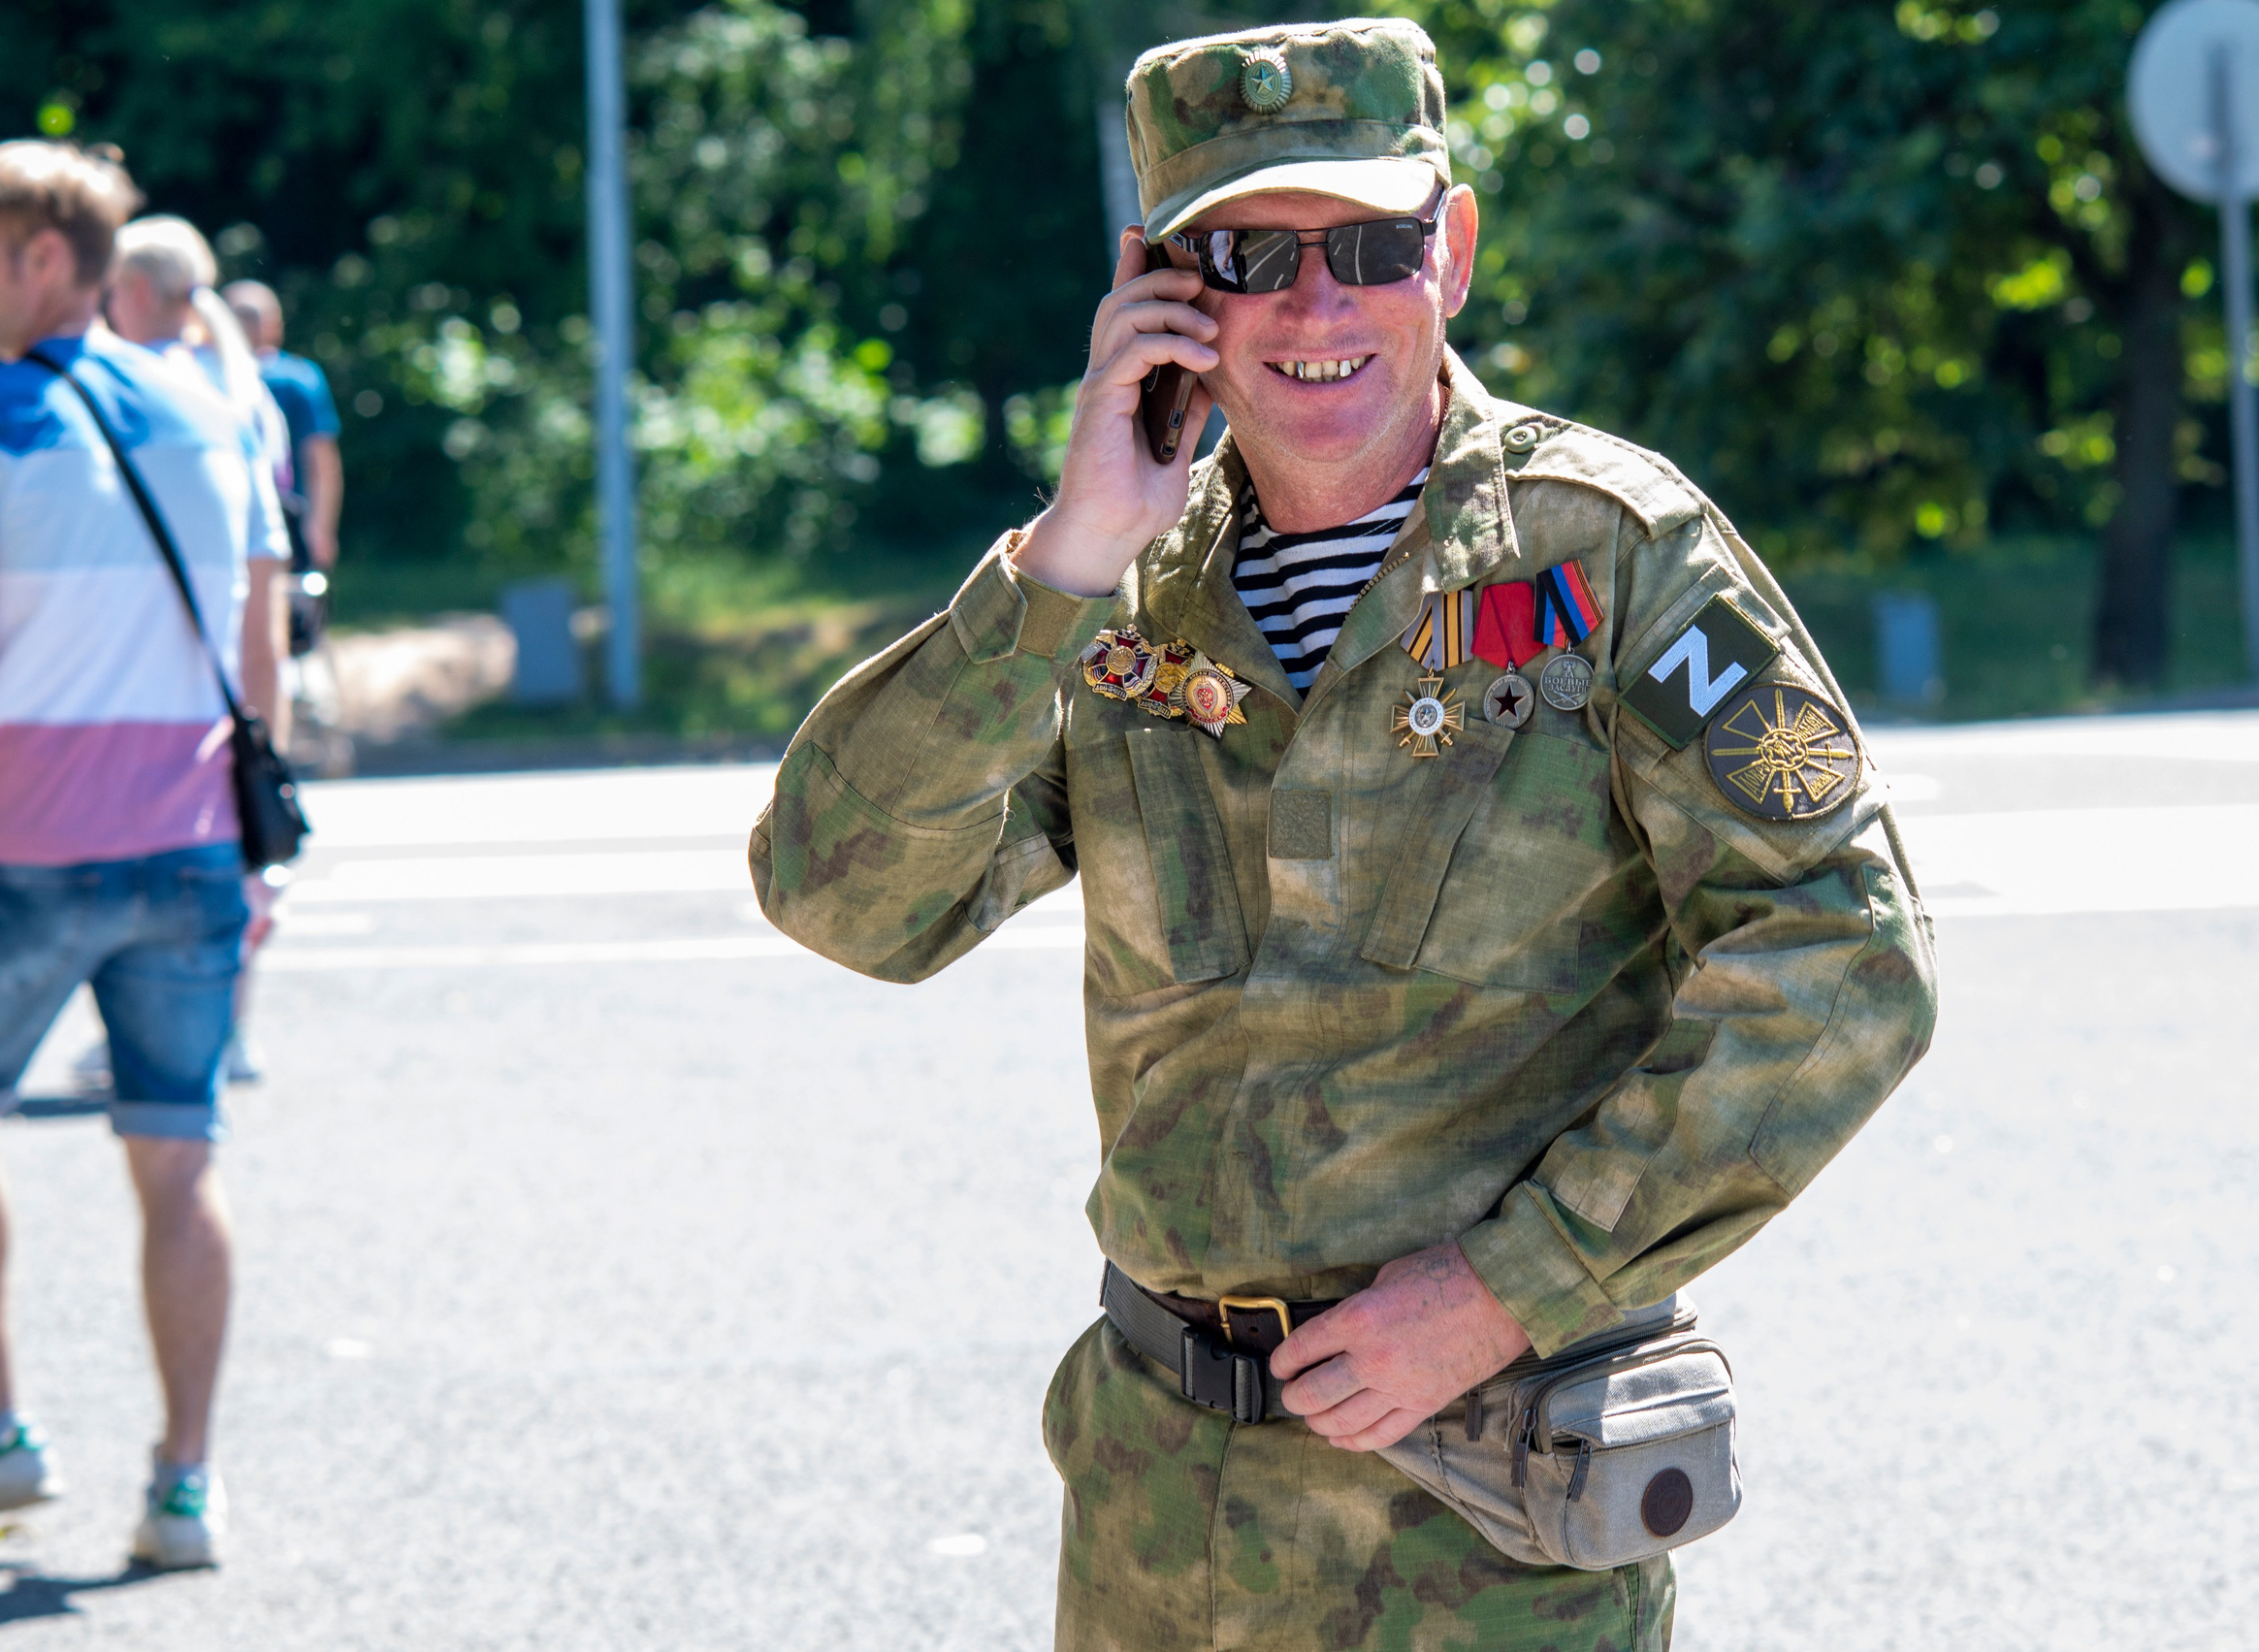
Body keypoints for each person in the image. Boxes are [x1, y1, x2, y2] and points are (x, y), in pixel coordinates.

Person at [752, 19, 1939, 1649]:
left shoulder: (1606, 556)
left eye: (1370, 245)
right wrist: (1066, 552)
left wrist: (1509, 1285)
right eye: (1252, 252)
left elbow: (1847, 950)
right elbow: (842, 900)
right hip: (1162, 1507)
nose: (1317, 308)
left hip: (1489, 1514)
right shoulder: (1107, 603)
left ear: (1447, 249)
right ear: (1163, 284)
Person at [0, 140, 289, 1571]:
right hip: (190, 851)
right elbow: (260, 634)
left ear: (48, 257)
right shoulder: (218, 415)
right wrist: (258, 840)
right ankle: (184, 1486)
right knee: (179, 1157)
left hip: (24, 850)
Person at [103, 215, 289, 1086]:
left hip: (157, 659)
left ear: (135, 291)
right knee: (235, 848)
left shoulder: (143, 390)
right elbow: (269, 565)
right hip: (238, 646)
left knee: (144, 858)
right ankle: (229, 1028)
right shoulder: (241, 385)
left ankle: (151, 1034)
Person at [220, 278, 341, 579]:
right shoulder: (299, 377)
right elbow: (321, 458)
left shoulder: (205, 373)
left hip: (227, 515)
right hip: (287, 516)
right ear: (275, 324)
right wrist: (321, 526)